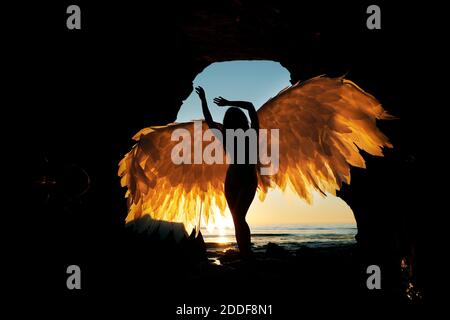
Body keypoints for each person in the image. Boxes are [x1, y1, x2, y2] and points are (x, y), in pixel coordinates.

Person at [195, 86, 259, 259]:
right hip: (232, 180)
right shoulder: (227, 136)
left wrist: (227, 103)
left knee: (239, 216)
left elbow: (251, 107)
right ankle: (245, 252)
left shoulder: (253, 133)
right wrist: (204, 101)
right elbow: (209, 121)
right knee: (236, 218)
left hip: (246, 180)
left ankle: (246, 253)